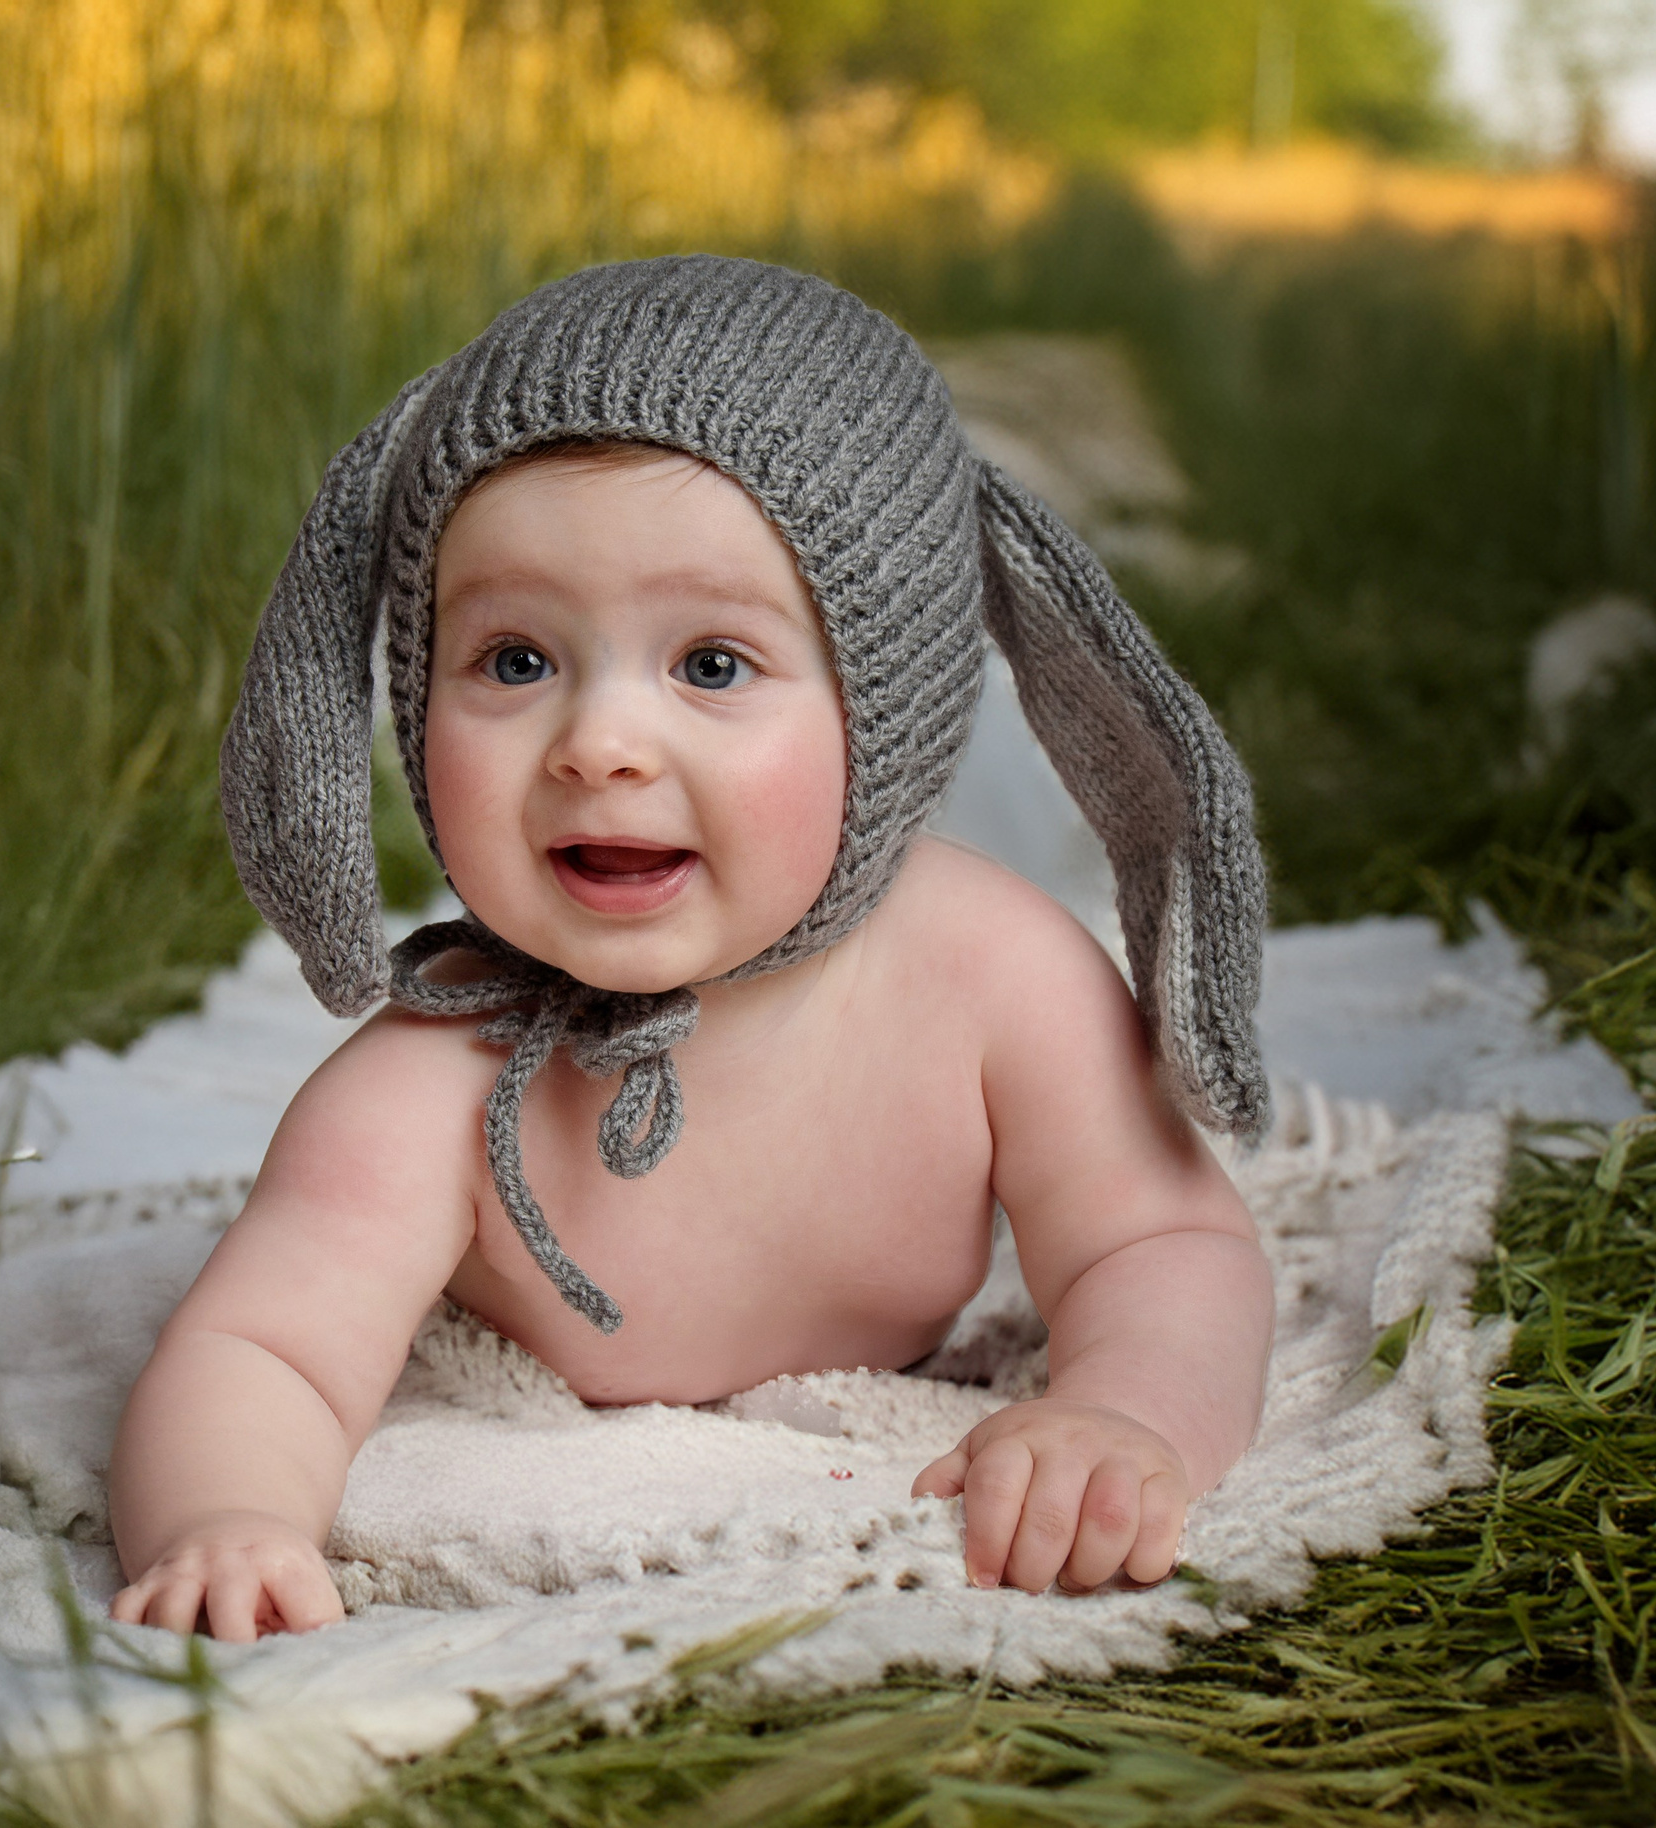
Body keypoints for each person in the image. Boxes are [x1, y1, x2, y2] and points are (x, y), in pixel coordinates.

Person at [108, 255, 1275, 1643]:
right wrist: (223, 1519)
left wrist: (1120, 1412)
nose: (599, 745)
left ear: (884, 703)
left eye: (712, 665)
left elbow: (1164, 1242)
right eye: (515, 661)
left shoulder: (991, 978)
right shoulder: (433, 1081)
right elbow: (264, 1347)